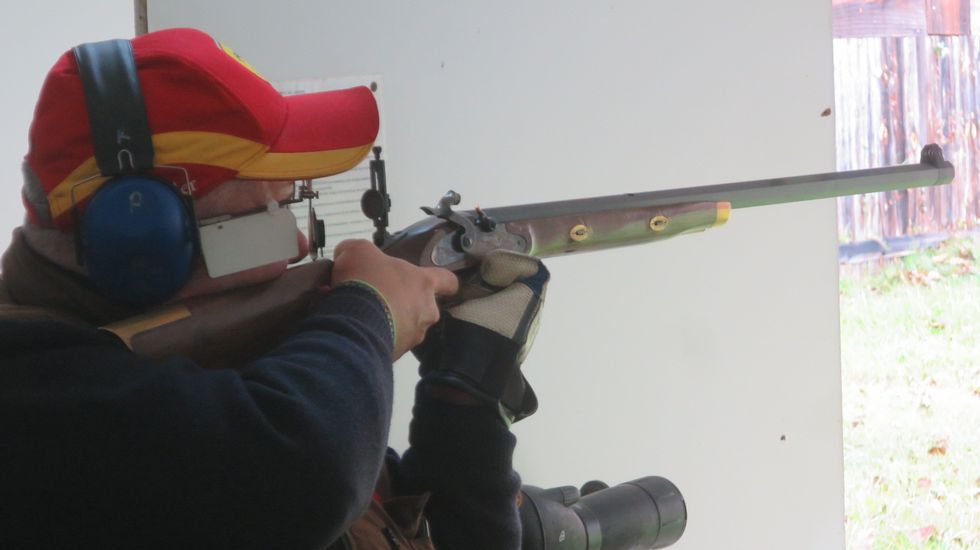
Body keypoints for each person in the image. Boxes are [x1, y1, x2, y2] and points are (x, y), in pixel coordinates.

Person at [0, 28, 547, 549]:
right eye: (271, 214)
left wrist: (466, 397)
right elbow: (304, 476)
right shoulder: (32, 403)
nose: (301, 240)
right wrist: (368, 312)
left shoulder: (231, 397)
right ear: (145, 241)